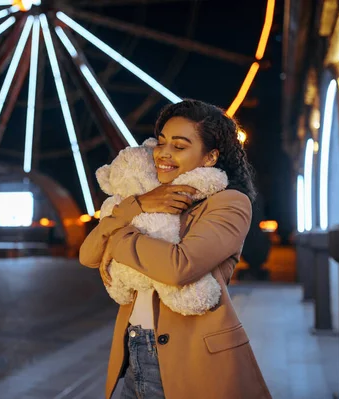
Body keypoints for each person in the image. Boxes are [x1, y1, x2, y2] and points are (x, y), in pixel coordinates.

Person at [79, 99, 271, 399]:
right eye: (161, 142)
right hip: (131, 351)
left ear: (210, 157)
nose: (164, 153)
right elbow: (88, 255)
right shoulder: (141, 198)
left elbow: (178, 267)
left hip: (191, 355)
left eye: (179, 146)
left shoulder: (229, 204)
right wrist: (139, 205)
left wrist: (116, 238)